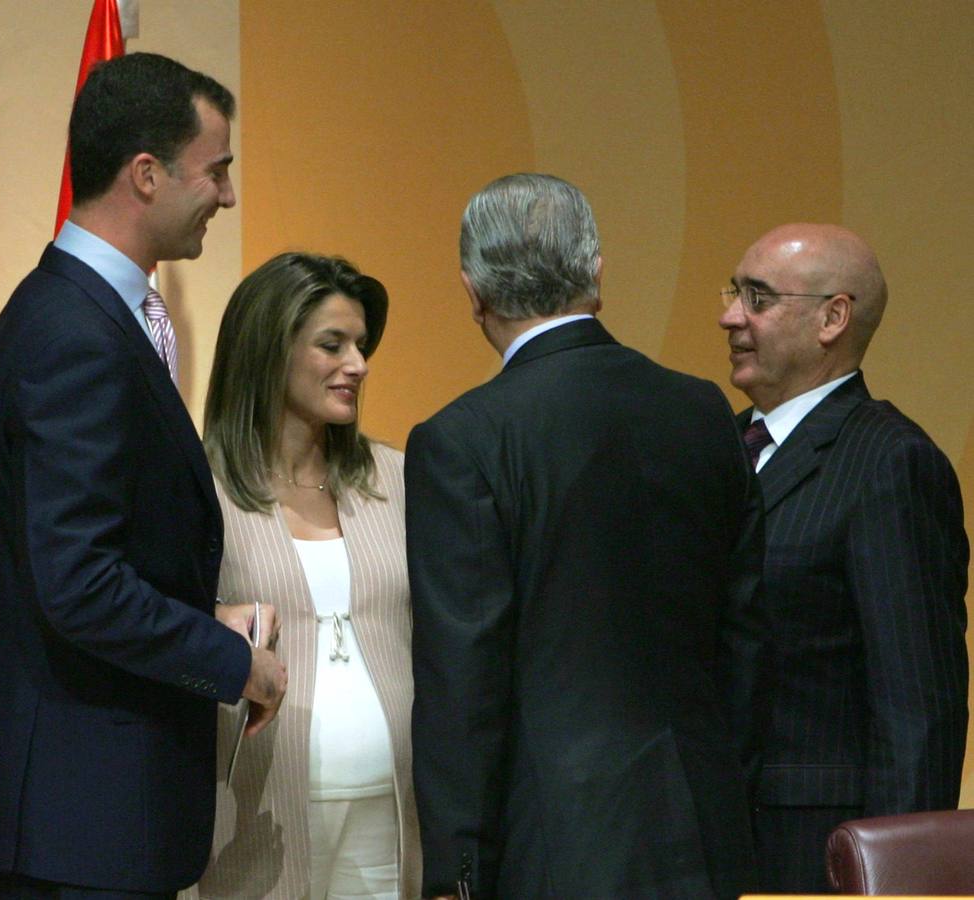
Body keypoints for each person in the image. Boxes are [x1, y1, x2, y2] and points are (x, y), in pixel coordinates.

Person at [0, 53, 287, 899]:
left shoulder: (80, 313)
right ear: (145, 174)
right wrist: (229, 661)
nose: (228, 196)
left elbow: (94, 553)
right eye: (217, 171)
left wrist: (205, 612)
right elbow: (80, 583)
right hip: (82, 821)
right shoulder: (75, 334)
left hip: (82, 814)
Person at [407, 173, 765, 899]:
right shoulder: (703, 411)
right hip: (711, 823)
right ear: (597, 275)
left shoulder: (461, 440)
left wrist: (457, 869)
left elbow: (463, 678)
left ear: (473, 291)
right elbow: (749, 636)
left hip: (555, 846)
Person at [721, 223, 968, 893]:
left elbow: (919, 707)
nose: (729, 316)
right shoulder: (722, 448)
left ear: (833, 317)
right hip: (712, 843)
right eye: (732, 291)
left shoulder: (889, 461)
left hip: (816, 853)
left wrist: (899, 879)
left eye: (758, 297)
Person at [189, 252, 421, 900]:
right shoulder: (200, 492)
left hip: (390, 821)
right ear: (270, 348)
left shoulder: (397, 480)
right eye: (332, 344)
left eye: (361, 345)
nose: (359, 365)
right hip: (255, 832)